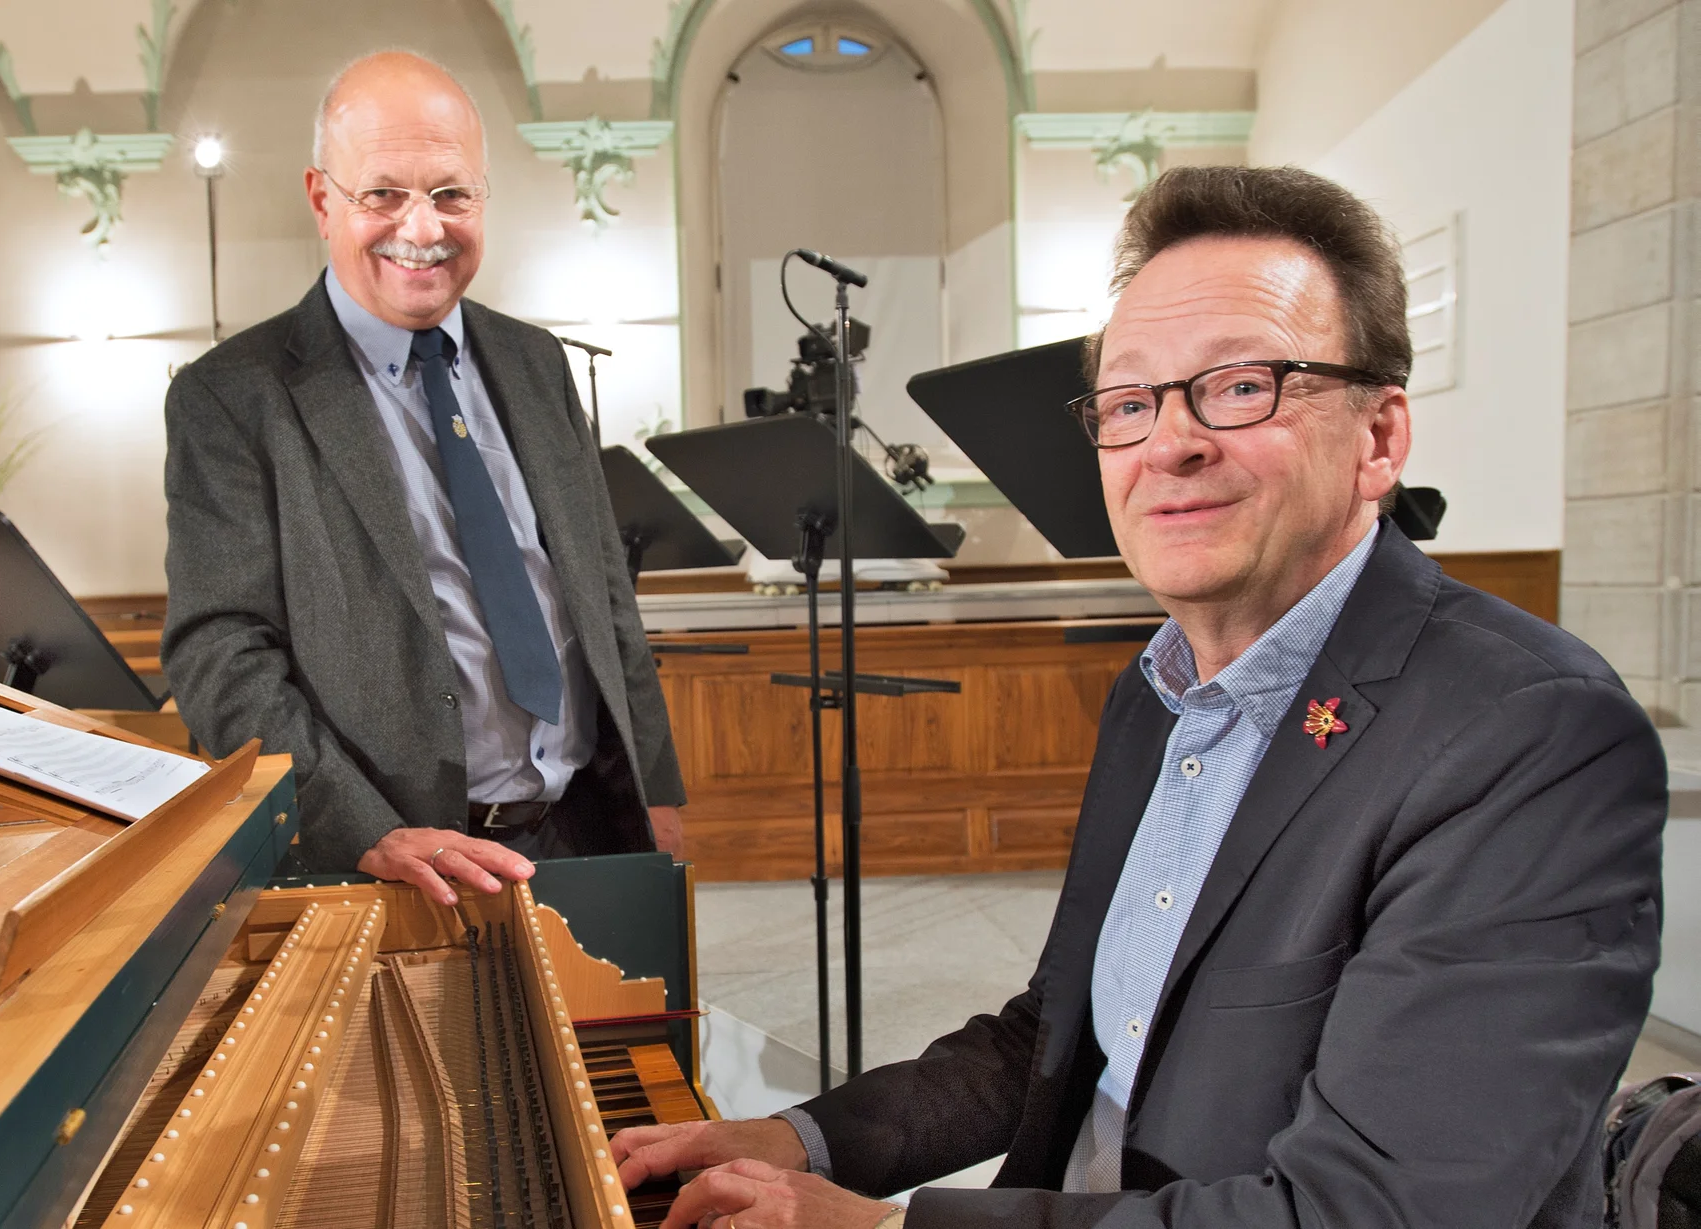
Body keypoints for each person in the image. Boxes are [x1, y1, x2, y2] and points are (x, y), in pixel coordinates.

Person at [612, 165, 1666, 1228]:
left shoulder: (1528, 734)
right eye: (1128, 401)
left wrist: (885, 1226)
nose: (1168, 441)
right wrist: (799, 1136)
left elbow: (1379, 1211)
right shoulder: (1159, 686)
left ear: (1378, 439)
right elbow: (1055, 1033)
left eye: (1242, 383)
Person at [161, 51, 686, 905]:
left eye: (451, 193)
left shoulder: (535, 360)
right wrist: (363, 830)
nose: (423, 225)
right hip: (401, 858)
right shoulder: (232, 397)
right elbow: (220, 654)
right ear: (322, 198)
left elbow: (601, 594)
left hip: (589, 828)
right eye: (383, 193)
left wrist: (656, 788)